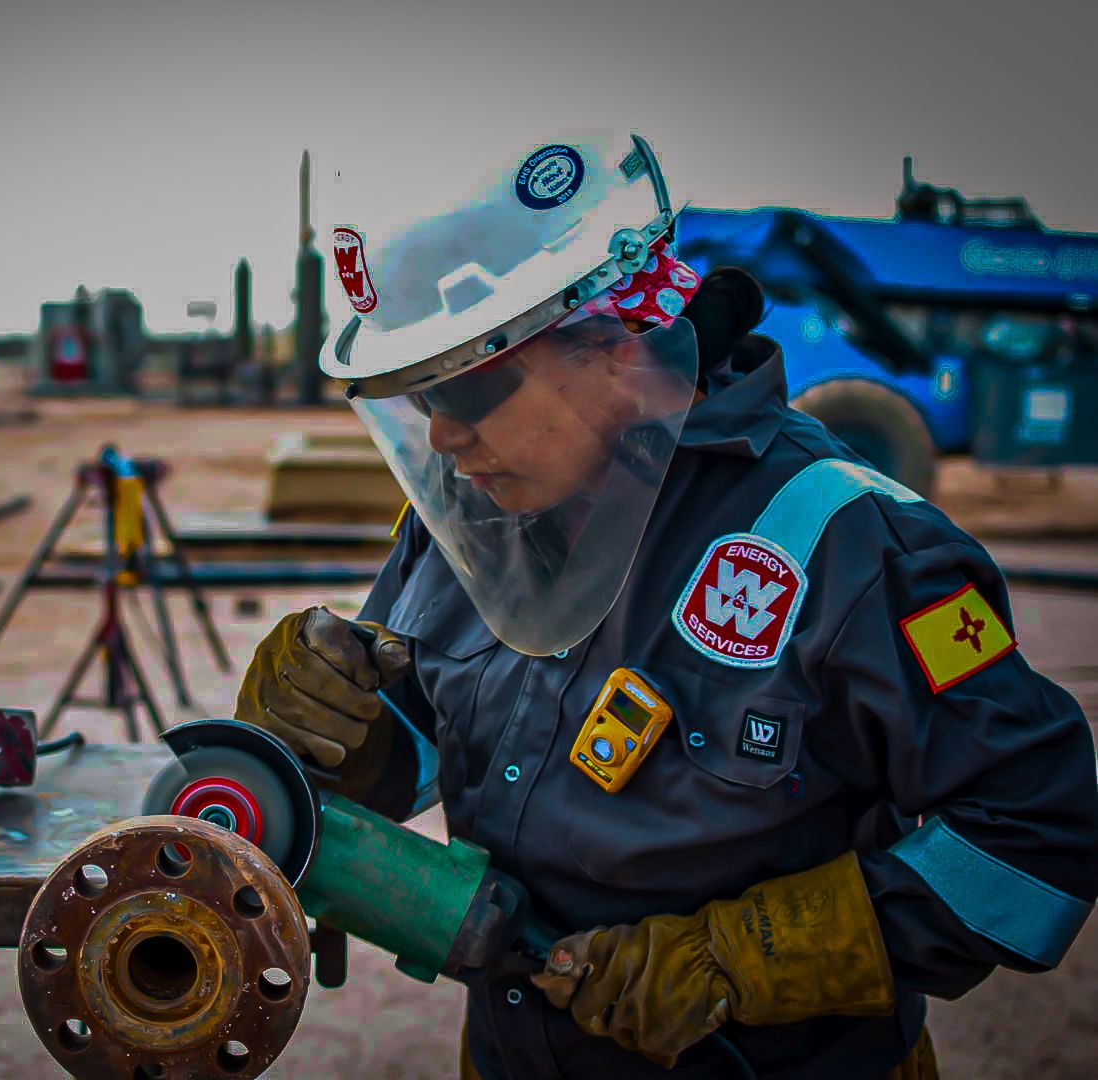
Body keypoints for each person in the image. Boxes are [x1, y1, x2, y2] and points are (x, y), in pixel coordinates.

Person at [234, 133, 1098, 1078]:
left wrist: (743, 958)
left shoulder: (852, 543)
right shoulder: (472, 519)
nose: (442, 436)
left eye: (470, 385)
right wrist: (333, 731)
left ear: (618, 350)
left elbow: (1035, 844)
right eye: (416, 397)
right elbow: (416, 751)